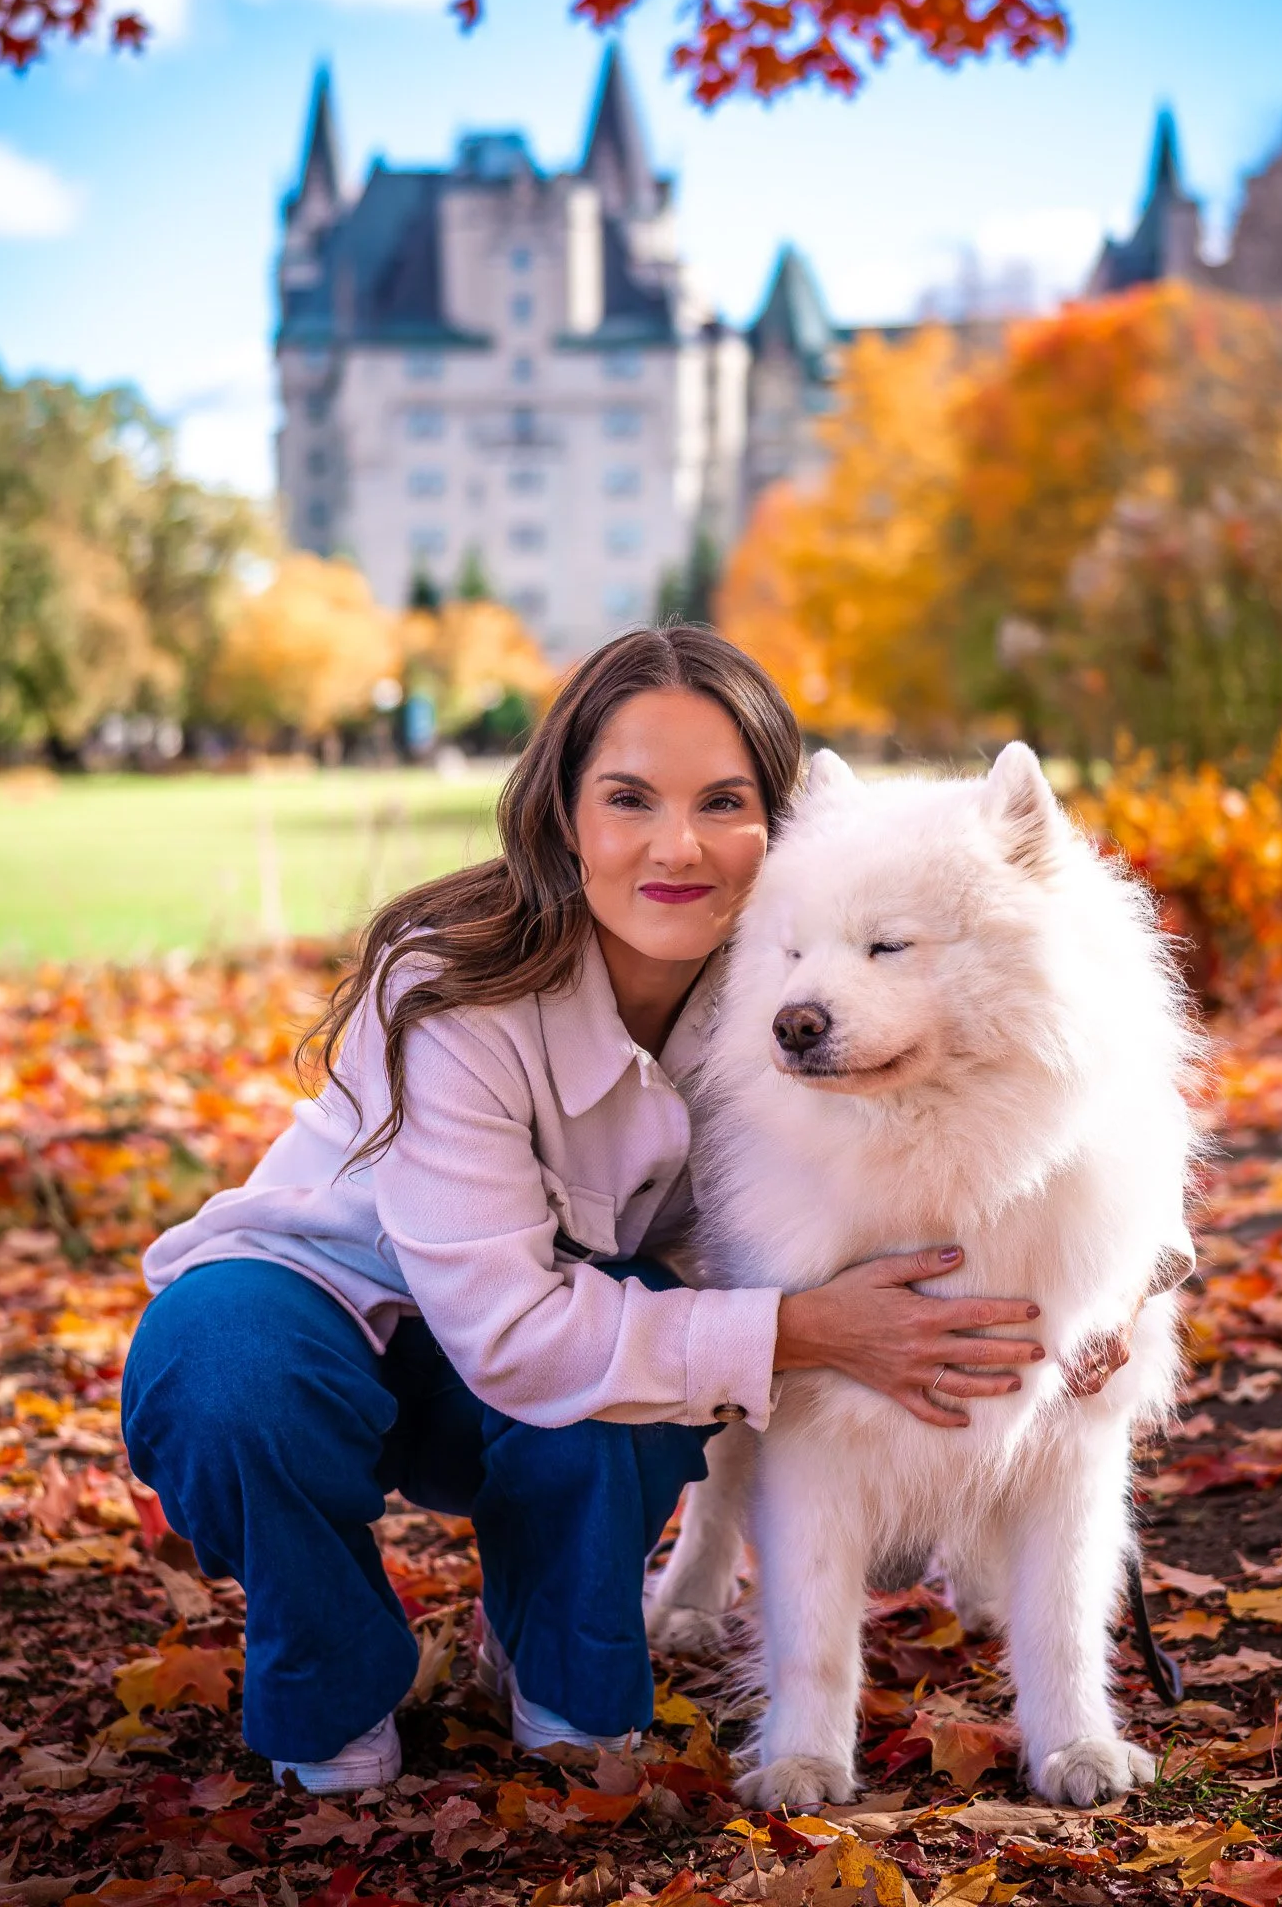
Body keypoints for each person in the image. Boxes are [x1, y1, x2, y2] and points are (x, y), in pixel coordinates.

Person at [121, 627, 1075, 1794]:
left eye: (723, 801)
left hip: (559, 1361)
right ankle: (329, 1665)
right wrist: (805, 1329)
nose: (678, 845)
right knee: (229, 1376)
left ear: (780, 831)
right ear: (563, 813)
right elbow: (508, 1328)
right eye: (630, 798)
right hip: (330, 1309)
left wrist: (1121, 1279)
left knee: (646, 1352)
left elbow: (1053, 1092)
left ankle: (549, 1641)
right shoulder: (452, 982)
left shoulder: (798, 979)